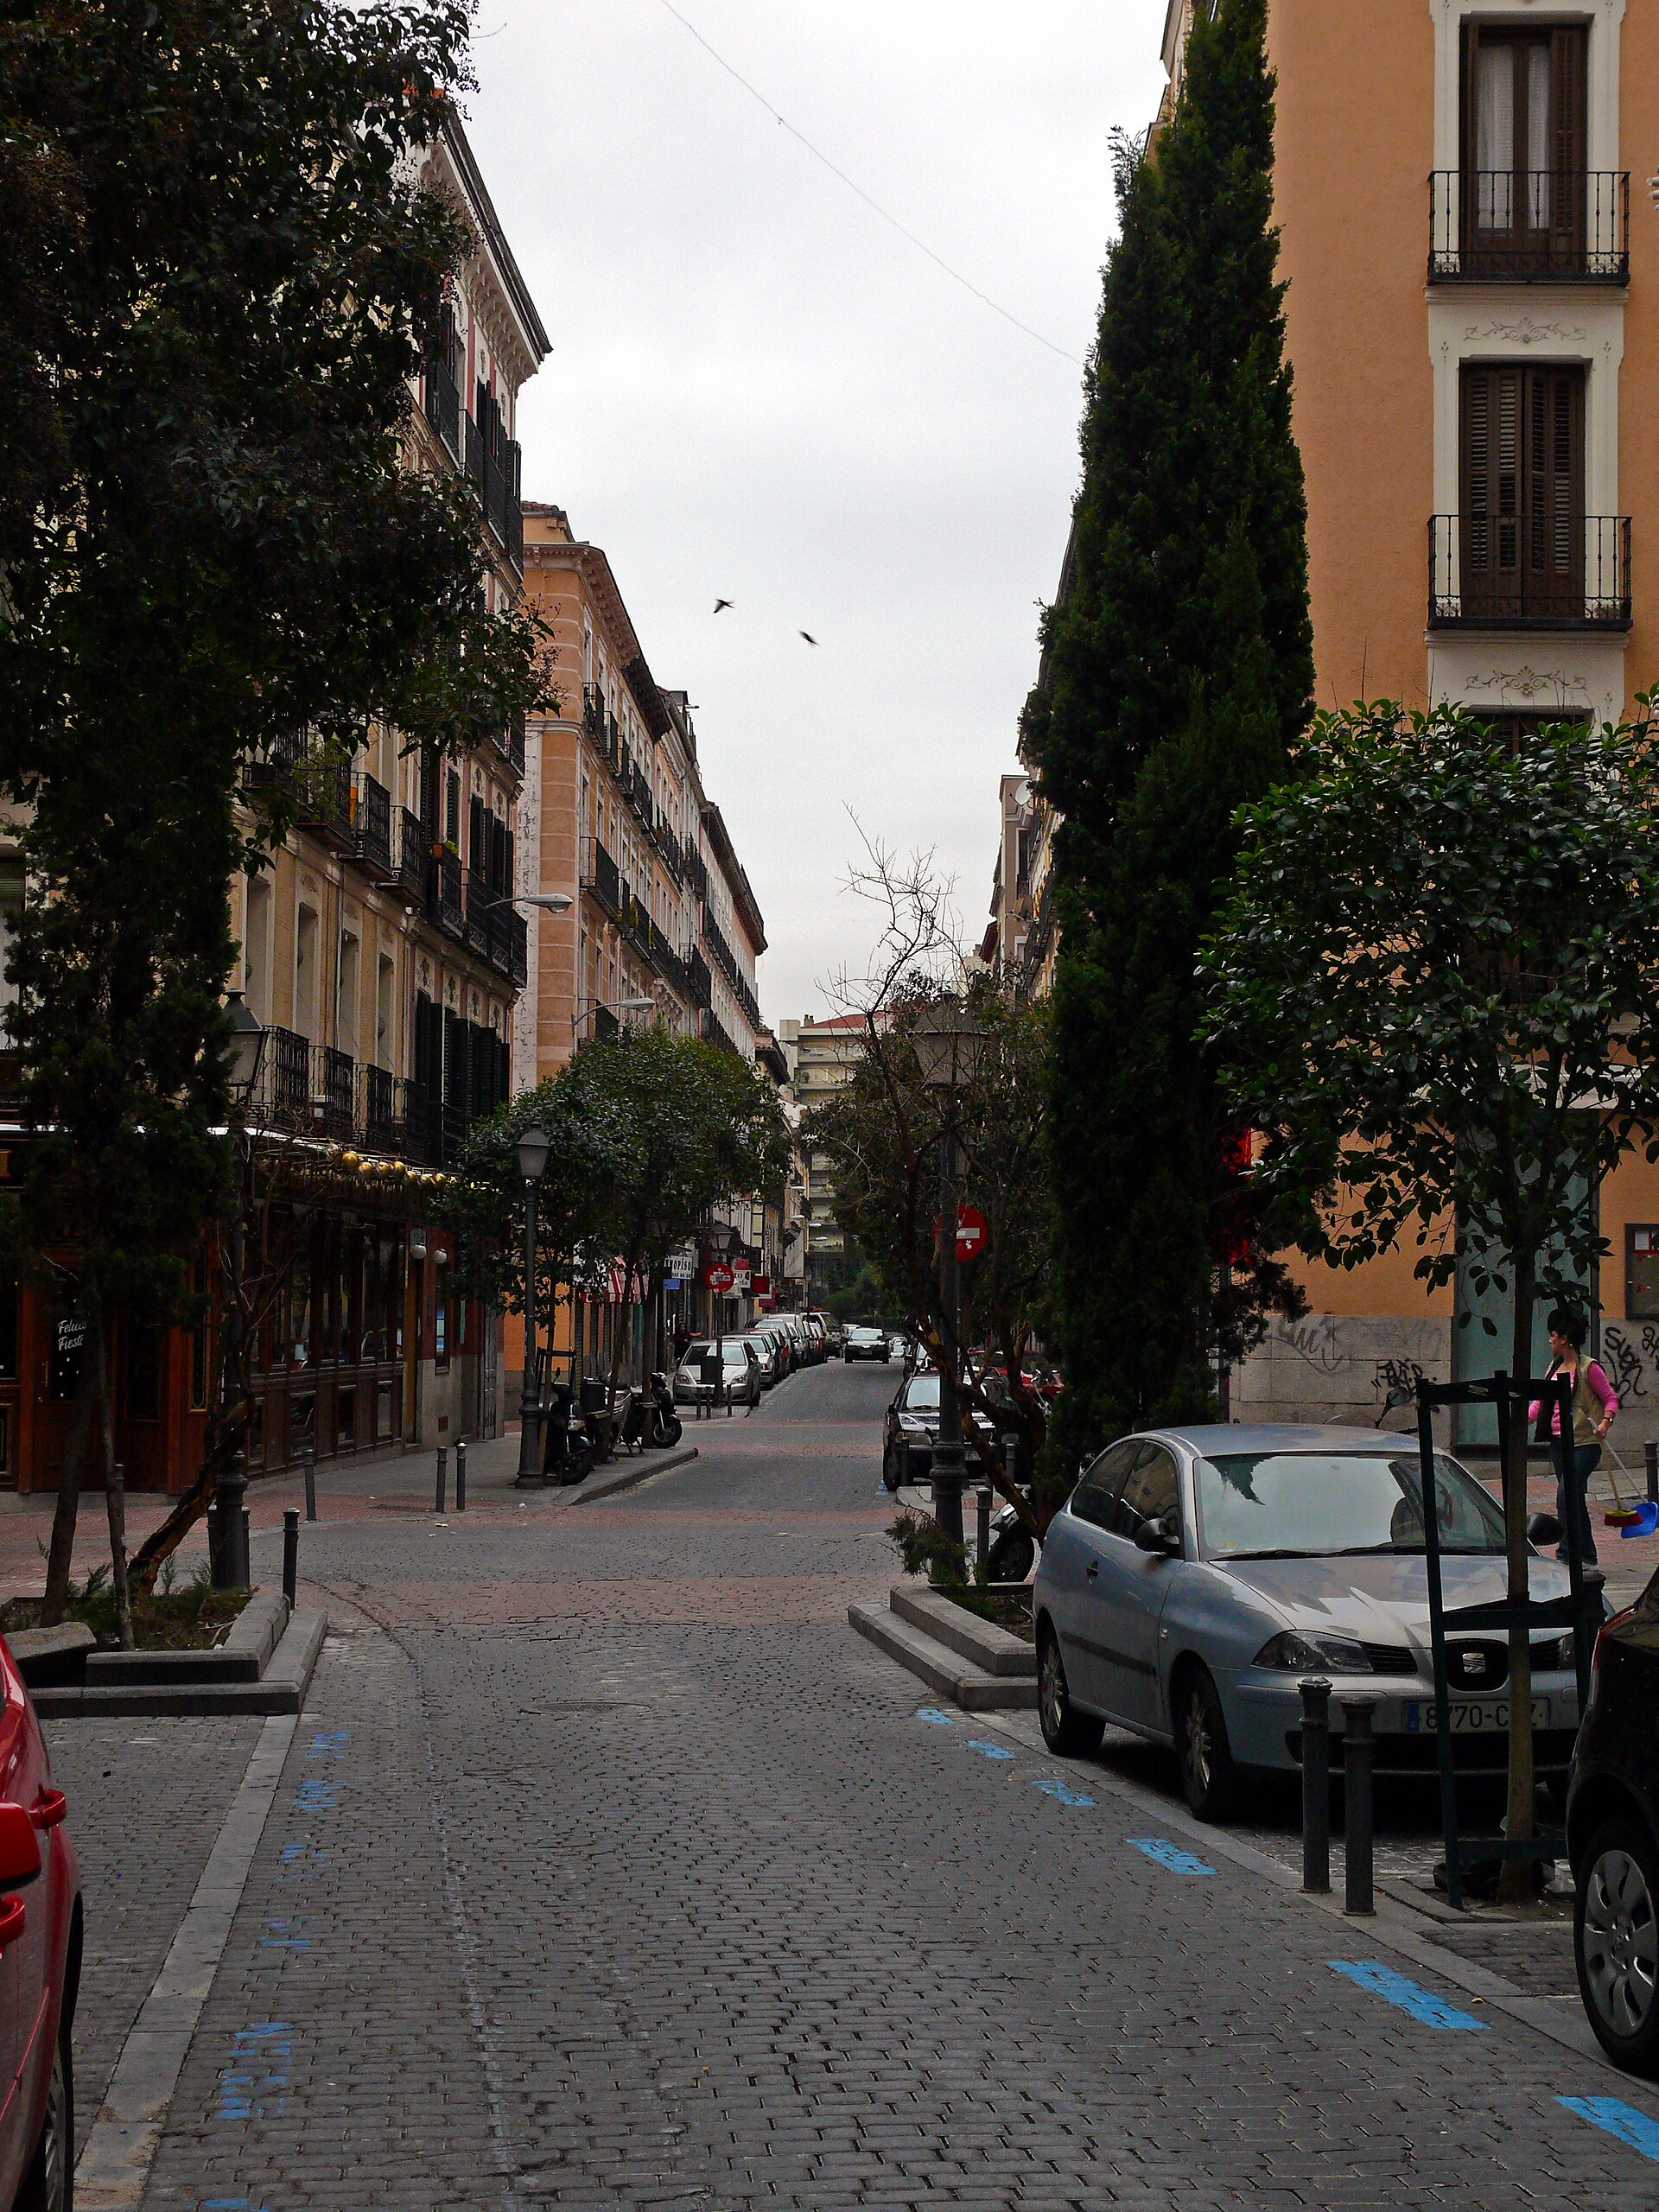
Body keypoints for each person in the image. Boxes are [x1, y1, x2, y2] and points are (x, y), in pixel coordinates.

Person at [1529, 1307, 1617, 1567]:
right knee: (1574, 1499)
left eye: (1553, 1335)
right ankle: (1587, 1554)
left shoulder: (1589, 1368)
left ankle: (1567, 1553)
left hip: (1585, 1443)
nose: (1550, 1340)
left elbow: (1610, 1398)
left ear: (1565, 1338)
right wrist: (1524, 1417)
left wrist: (1604, 1422)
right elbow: (1541, 1402)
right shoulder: (1554, 1367)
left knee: (1565, 1495)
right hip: (1559, 1442)